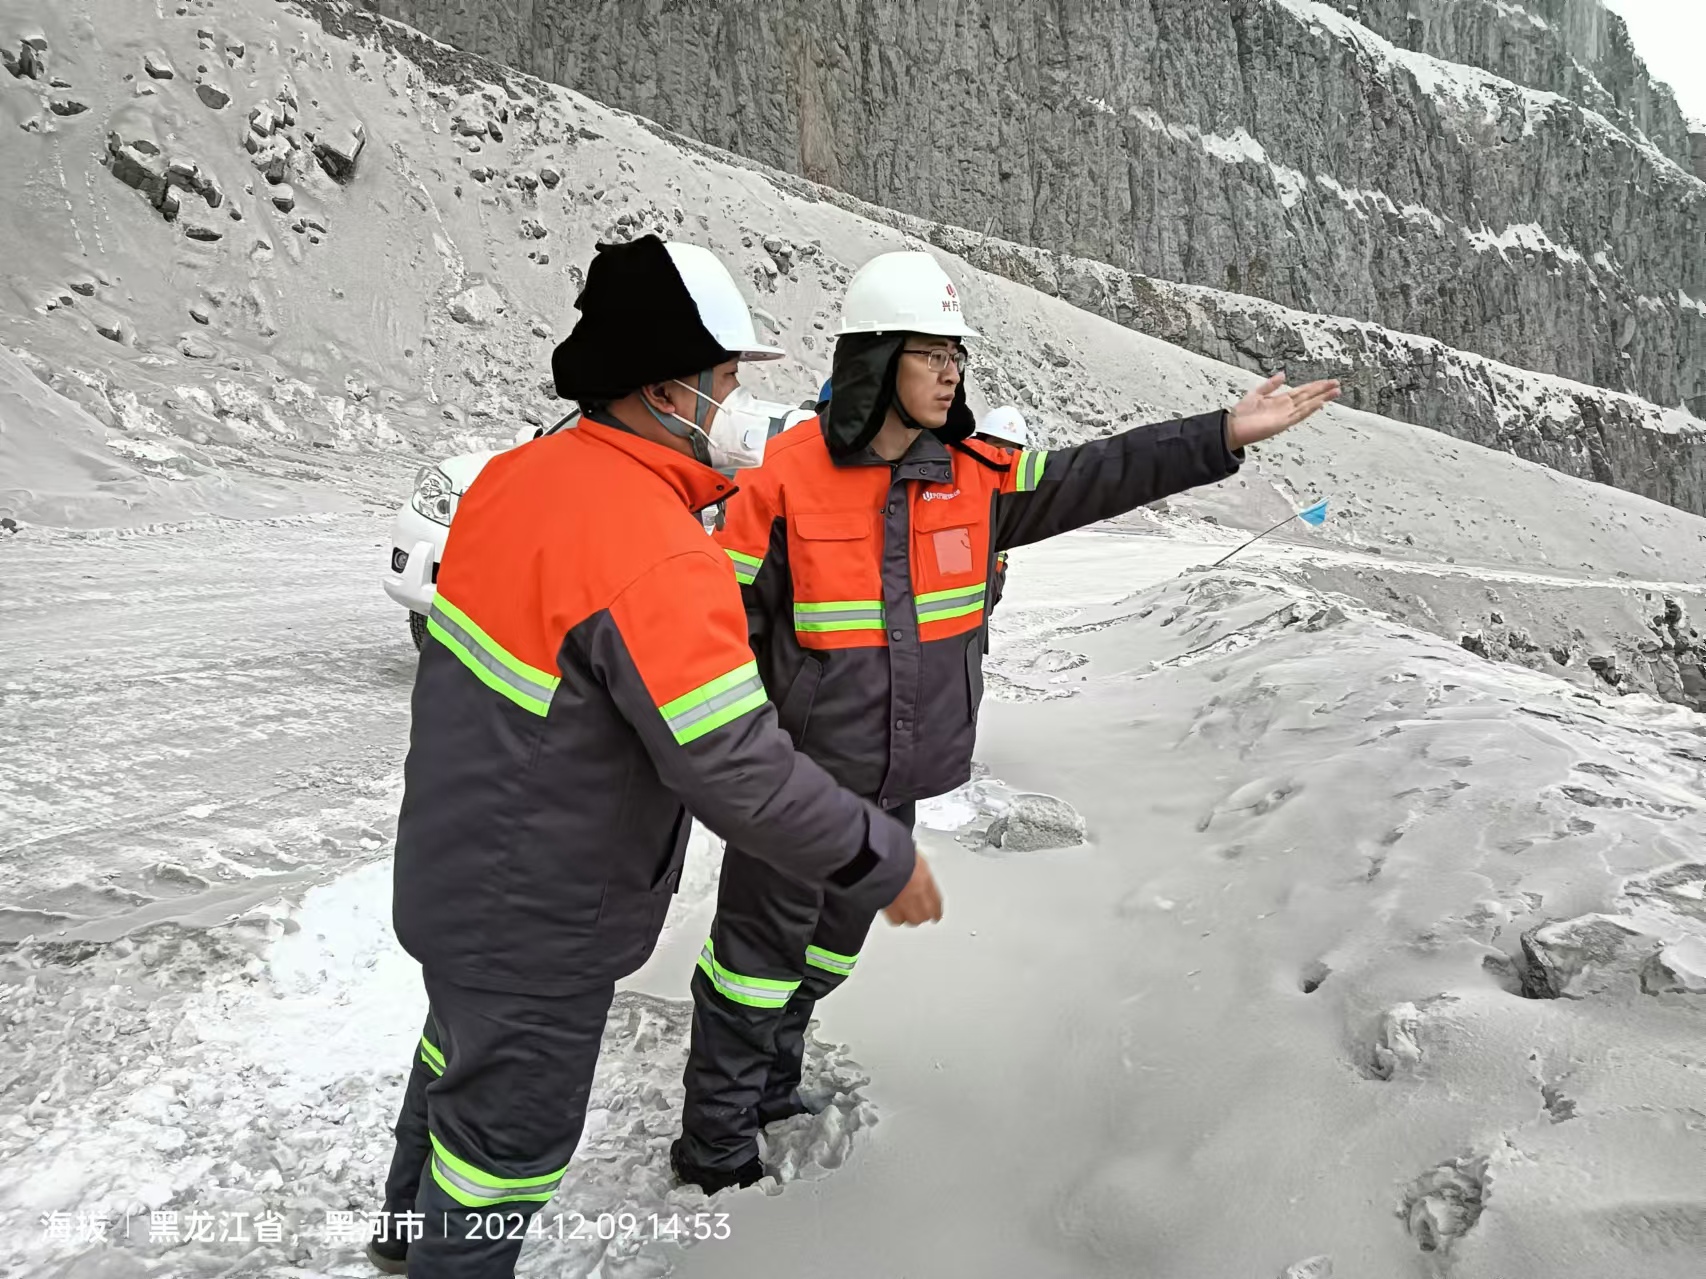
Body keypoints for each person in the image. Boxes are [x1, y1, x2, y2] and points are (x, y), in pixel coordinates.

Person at [674, 249, 1339, 1189]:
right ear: (877, 360)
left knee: (827, 949)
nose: (951, 372)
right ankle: (715, 1150)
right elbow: (720, 631)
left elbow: (1101, 471)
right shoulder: (781, 481)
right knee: (754, 964)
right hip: (797, 788)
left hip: (890, 790)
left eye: (957, 355)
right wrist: (746, 766)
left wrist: (1222, 432)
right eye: (930, 354)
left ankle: (772, 1088)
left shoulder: (977, 477)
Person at [369, 235, 942, 1278]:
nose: (735, 402)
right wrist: (875, 852)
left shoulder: (513, 477)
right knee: (500, 1155)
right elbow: (738, 768)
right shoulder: (654, 550)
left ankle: (401, 1237)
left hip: (454, 869)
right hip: (541, 914)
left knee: (457, 1057)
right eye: (724, 378)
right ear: (665, 389)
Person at [972, 405, 1028, 627]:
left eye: (1011, 450)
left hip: (980, 617)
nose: (1002, 456)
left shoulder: (1008, 500)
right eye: (996, 446)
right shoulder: (959, 492)